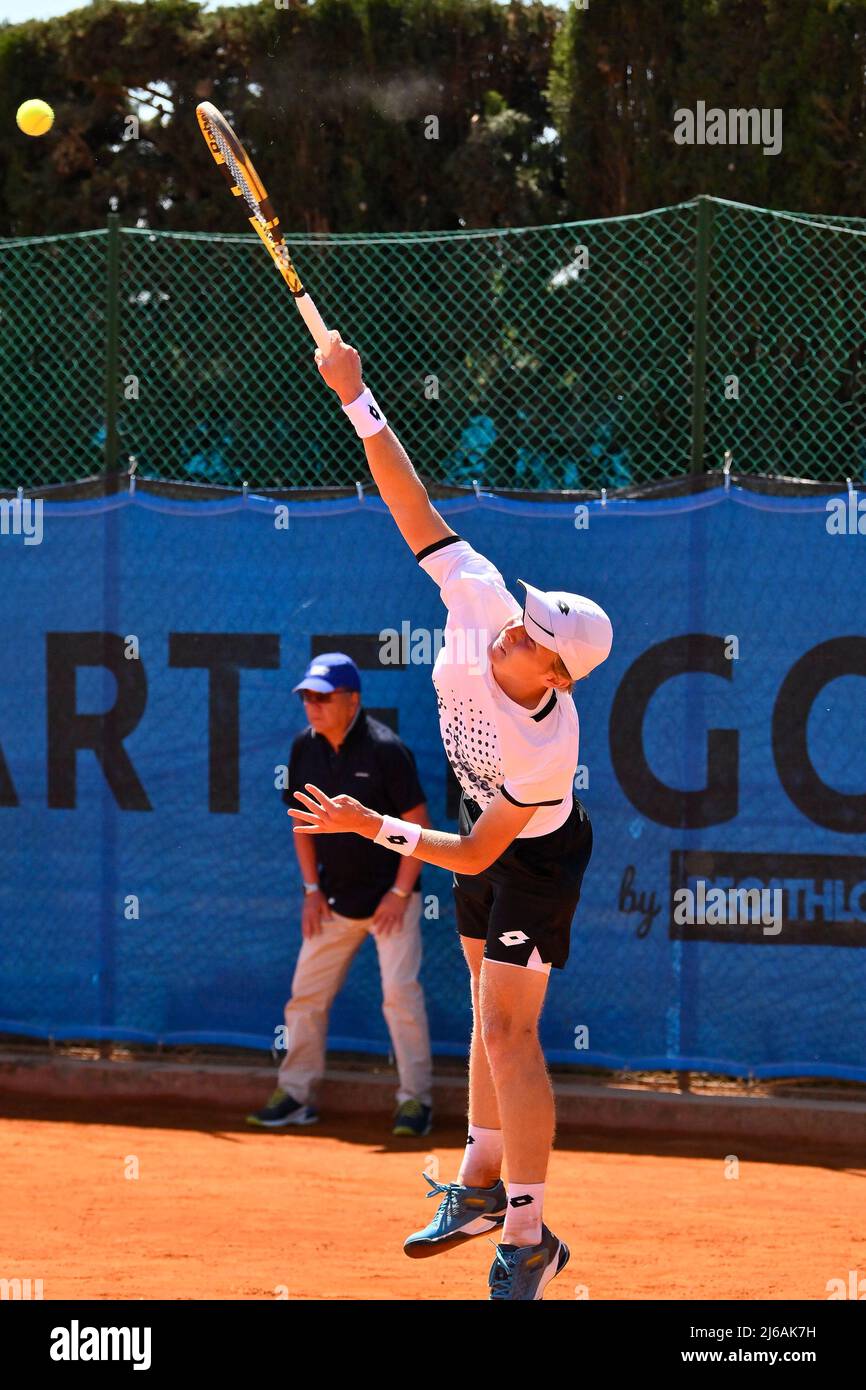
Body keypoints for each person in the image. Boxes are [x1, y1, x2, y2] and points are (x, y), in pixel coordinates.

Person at [289, 334, 614, 1301]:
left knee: (512, 1036)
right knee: (483, 1015)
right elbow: (410, 504)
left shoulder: (545, 746)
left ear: (555, 673)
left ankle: (527, 1240)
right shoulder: (481, 599)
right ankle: (477, 1185)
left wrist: (372, 826)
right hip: (482, 826)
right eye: (525, 614)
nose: (515, 624)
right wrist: (356, 396)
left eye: (534, 635)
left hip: (532, 855)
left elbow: (476, 852)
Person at [247, 651, 434, 1138]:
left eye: (323, 697)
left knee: (400, 998)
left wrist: (399, 892)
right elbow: (301, 825)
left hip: (392, 900)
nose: (313, 705)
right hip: (333, 900)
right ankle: (295, 1095)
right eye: (307, 696)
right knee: (305, 996)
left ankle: (415, 1101)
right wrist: (311, 890)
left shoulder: (386, 750)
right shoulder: (303, 749)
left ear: (352, 701)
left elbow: (419, 825)